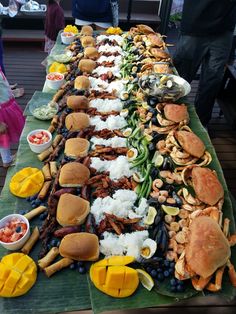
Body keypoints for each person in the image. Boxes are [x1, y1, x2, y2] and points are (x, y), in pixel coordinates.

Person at [173, 0, 236, 127]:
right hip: (193, 26)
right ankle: (170, 119)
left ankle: (201, 124)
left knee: (211, 83)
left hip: (224, 30)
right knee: (178, 81)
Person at [0, 67, 25, 168]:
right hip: (2, 110)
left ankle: (7, 159)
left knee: (3, 137)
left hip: (7, 104)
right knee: (2, 136)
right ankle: (6, 160)